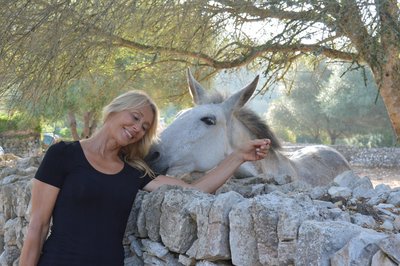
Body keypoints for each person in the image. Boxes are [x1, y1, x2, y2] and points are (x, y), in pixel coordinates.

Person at [19, 90, 271, 266]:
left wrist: (238, 156)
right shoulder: (62, 154)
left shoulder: (134, 171)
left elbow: (195, 189)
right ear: (114, 111)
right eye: (135, 117)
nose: (137, 128)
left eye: (145, 127)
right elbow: (37, 226)